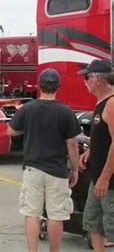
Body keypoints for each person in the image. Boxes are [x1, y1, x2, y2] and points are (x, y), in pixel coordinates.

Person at [7, 68, 81, 252]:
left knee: (32, 213)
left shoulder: (28, 108)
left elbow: (10, 130)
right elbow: (72, 143)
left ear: (39, 85)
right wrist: (75, 169)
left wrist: (29, 129)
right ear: (58, 86)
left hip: (33, 169)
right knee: (57, 214)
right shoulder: (65, 111)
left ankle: (33, 250)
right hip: (57, 170)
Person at [78, 59, 114, 251]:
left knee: (111, 227)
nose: (85, 82)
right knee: (92, 222)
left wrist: (105, 179)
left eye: (87, 77)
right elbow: (106, 138)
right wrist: (92, 151)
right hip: (97, 177)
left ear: (98, 79)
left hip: (109, 182)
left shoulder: (112, 104)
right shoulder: (101, 104)